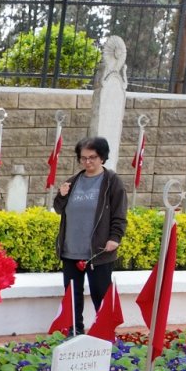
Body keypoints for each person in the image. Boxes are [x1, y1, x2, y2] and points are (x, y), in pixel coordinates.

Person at [53, 136, 127, 335]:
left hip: (99, 252)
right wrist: (61, 195)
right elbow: (59, 209)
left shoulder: (112, 182)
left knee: (100, 295)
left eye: (92, 157)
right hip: (71, 251)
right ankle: (74, 331)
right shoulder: (73, 181)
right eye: (83, 158)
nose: (88, 162)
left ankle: (104, 333)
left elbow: (120, 214)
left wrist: (115, 237)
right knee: (72, 297)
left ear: (102, 157)